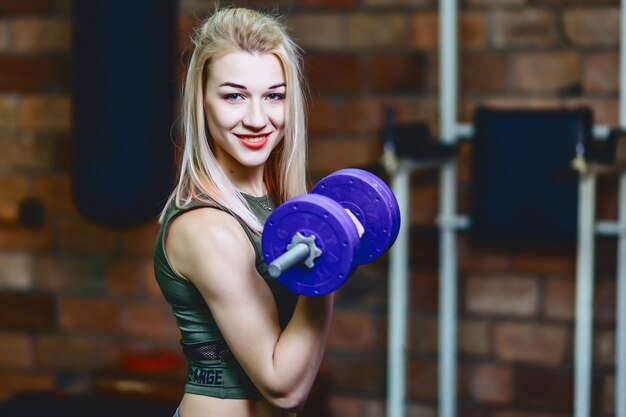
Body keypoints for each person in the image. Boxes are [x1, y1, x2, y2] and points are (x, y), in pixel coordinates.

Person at [153, 6, 333, 417]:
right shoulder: (206, 227)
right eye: (234, 96)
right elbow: (283, 387)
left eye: (274, 96)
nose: (257, 119)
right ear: (201, 100)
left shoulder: (277, 205)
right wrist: (329, 275)